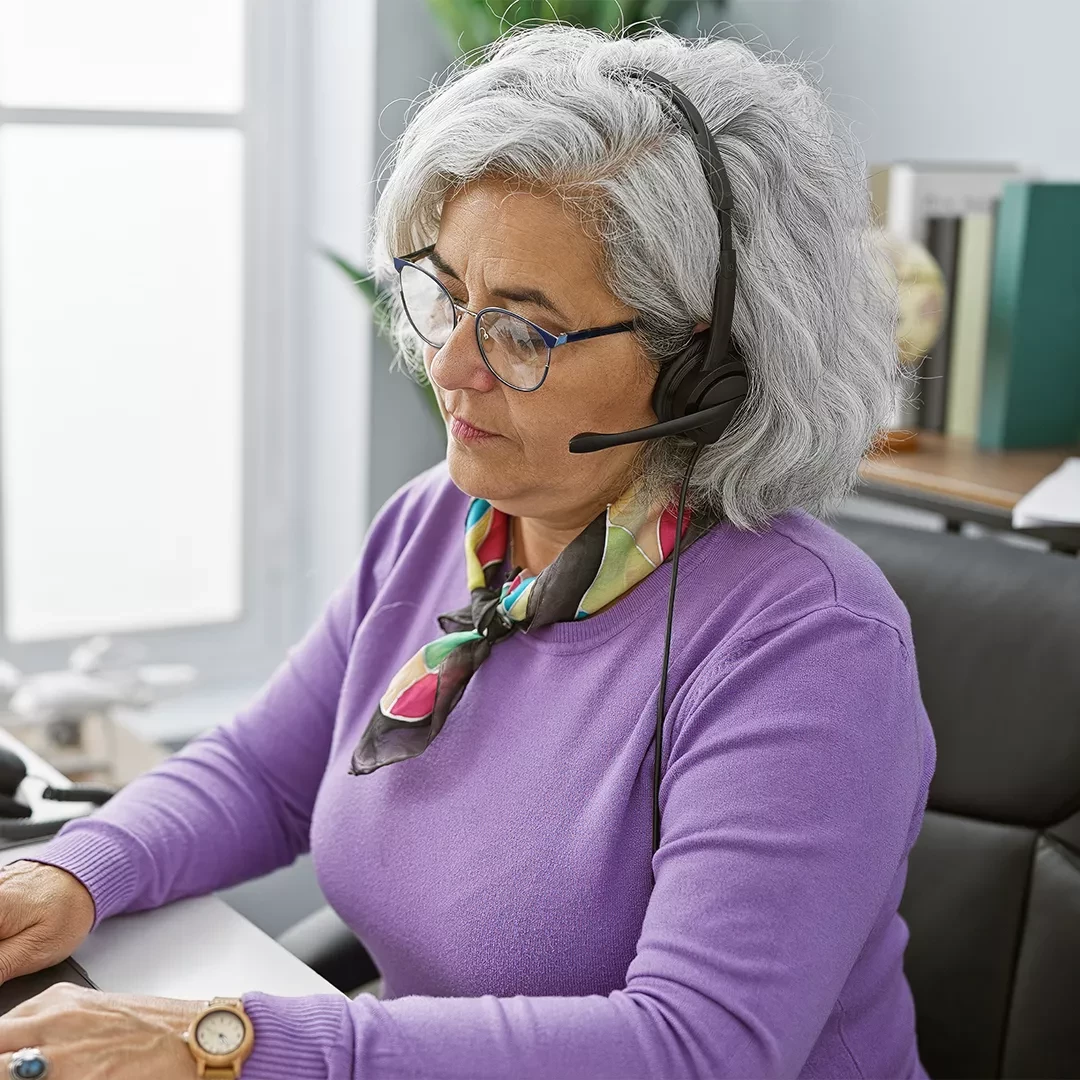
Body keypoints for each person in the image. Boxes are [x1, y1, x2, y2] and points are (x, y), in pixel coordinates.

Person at [0, 23, 935, 1080]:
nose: (449, 365)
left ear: (700, 369)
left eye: (524, 332)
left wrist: (222, 1044)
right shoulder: (439, 524)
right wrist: (69, 875)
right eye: (448, 294)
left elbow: (695, 1049)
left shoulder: (808, 642)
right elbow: (267, 775)